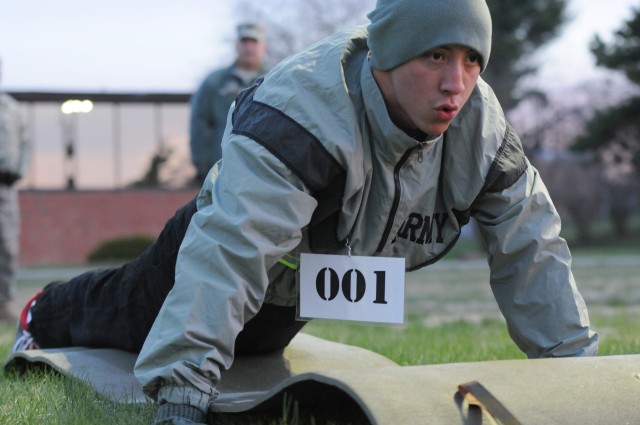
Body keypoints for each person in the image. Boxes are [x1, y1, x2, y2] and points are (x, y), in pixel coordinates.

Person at [12, 1, 599, 424]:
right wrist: (183, 397)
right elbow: (232, 249)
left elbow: (534, 247)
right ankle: (45, 310)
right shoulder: (305, 114)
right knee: (123, 314)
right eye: (436, 56)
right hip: (221, 248)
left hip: (295, 286)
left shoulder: (483, 133)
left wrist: (581, 380)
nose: (456, 83)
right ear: (388, 57)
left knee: (257, 350)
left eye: (473, 60)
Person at [189, 22, 269, 184]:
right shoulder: (214, 82)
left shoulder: (274, 80)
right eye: (244, 42)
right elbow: (200, 122)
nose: (249, 47)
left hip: (264, 170)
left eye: (254, 42)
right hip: (221, 169)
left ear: (263, 47)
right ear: (236, 45)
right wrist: (201, 163)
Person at [0, 57, 30, 322]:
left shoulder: (12, 107)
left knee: (8, 245)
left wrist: (18, 171)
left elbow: (26, 142)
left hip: (7, 189)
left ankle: (4, 302)